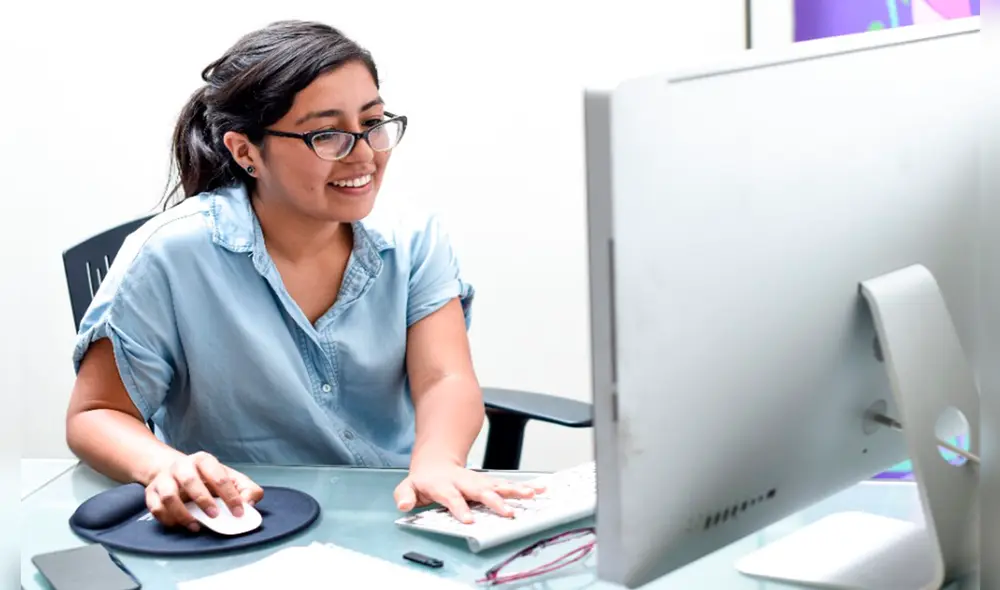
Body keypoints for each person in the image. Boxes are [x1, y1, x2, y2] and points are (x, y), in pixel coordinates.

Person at [65, 19, 540, 532]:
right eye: (327, 135)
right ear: (246, 151)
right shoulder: (170, 255)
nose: (364, 153)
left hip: (396, 511)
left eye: (373, 123)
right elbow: (95, 414)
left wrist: (439, 460)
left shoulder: (414, 239)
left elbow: (444, 377)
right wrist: (164, 466)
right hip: (245, 521)